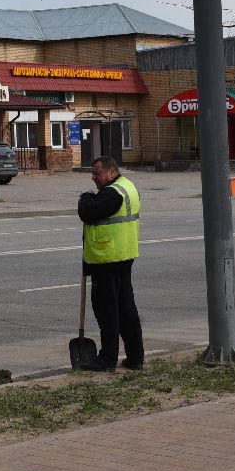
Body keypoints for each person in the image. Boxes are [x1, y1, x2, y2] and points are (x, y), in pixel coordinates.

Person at [76, 155, 143, 372]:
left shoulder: (113, 194)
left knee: (107, 310)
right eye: (92, 174)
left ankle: (107, 359)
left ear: (111, 173)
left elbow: (87, 211)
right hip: (123, 255)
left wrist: (84, 197)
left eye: (97, 174)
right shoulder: (127, 186)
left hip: (107, 258)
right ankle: (135, 357)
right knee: (125, 308)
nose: (93, 178)